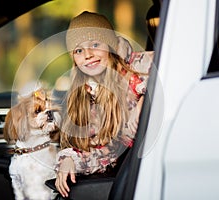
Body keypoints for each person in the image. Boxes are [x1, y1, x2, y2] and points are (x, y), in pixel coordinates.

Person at [54, 11, 153, 198]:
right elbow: (107, 152)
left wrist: (146, 99)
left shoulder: (144, 64)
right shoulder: (88, 98)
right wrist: (70, 160)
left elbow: (173, 78)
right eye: (79, 50)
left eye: (95, 44)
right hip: (132, 172)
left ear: (110, 45)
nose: (88, 55)